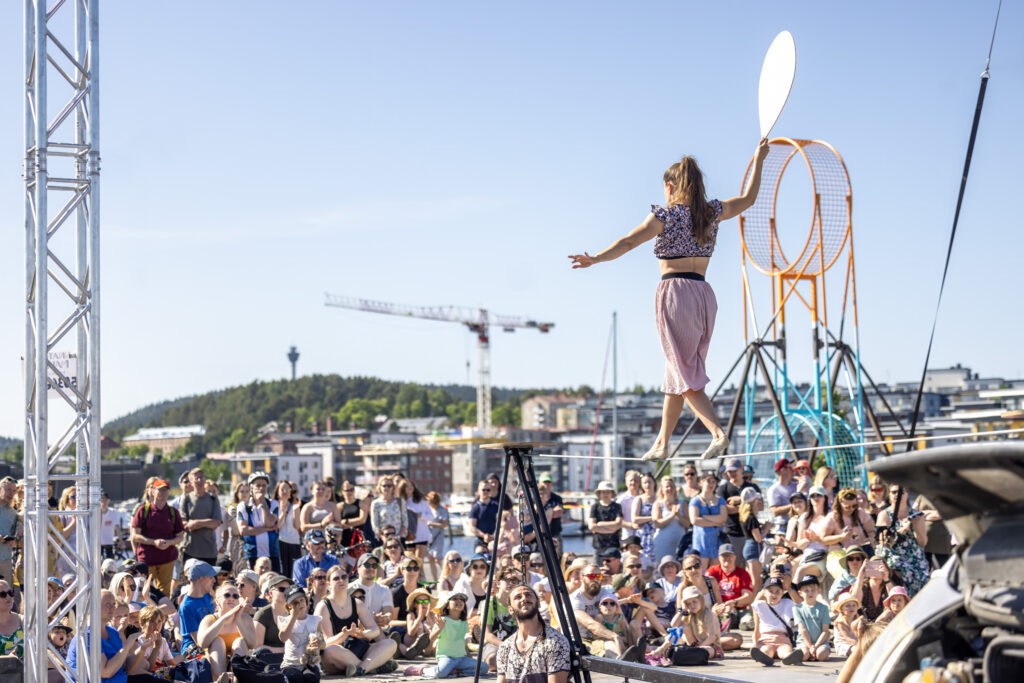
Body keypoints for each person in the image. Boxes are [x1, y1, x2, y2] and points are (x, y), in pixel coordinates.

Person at [569, 139, 770, 463]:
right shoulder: (711, 213)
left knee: (685, 375)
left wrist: (596, 259)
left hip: (676, 295)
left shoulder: (665, 216)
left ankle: (718, 433)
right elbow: (748, 198)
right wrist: (759, 159)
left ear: (670, 185)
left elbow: (628, 242)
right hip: (704, 296)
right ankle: (662, 442)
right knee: (675, 374)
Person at [317, 566, 398, 676]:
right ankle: (372, 667)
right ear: (328, 584)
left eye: (344, 577)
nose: (341, 580)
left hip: (358, 649)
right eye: (336, 578)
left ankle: (361, 669)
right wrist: (344, 634)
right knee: (330, 650)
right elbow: (326, 643)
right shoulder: (323, 606)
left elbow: (375, 630)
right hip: (337, 656)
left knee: (391, 643)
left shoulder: (357, 603)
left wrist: (363, 633)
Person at [496, 584, 571, 683]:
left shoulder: (556, 641)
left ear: (538, 604)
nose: (524, 599)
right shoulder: (505, 647)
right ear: (510, 609)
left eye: (528, 595)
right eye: (518, 597)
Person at [68, 590, 143, 683]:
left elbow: (125, 667)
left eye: (113, 604)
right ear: (94, 606)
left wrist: (143, 648)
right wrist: (127, 645)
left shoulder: (113, 633)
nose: (112, 608)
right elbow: (105, 672)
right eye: (107, 604)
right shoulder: (86, 636)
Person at [403, 592, 476, 679]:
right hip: (447, 657)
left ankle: (455, 671)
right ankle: (423, 670)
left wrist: (470, 657)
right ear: (447, 605)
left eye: (461, 600)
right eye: (455, 599)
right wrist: (439, 629)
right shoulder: (443, 620)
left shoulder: (464, 622)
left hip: (461, 658)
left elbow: (462, 641)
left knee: (483, 668)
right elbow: (431, 638)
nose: (459, 601)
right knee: (440, 673)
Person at [130, 479, 185, 594]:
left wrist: (169, 542)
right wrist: (154, 542)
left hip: (167, 559)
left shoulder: (173, 512)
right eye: (160, 490)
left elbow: (180, 537)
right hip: (147, 559)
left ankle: (163, 612)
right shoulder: (143, 510)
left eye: (165, 490)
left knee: (164, 592)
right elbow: (135, 536)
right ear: (153, 491)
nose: (163, 493)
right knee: (143, 590)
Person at [876, 485, 930, 596]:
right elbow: (884, 542)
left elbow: (922, 542)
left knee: (923, 573)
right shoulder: (884, 515)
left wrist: (916, 526)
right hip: (895, 555)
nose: (897, 495)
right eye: (894, 492)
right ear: (889, 494)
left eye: (901, 492)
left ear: (907, 494)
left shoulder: (915, 513)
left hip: (915, 554)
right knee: (908, 571)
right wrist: (902, 530)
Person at [570, 564, 624, 658]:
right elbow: (590, 624)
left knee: (612, 642)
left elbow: (617, 612)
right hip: (580, 640)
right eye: (591, 576)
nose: (595, 579)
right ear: (582, 578)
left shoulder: (603, 593)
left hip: (600, 637)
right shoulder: (575, 599)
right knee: (610, 644)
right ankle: (623, 666)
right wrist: (615, 636)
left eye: (599, 576)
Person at [749, 577, 803, 666]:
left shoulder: (788, 603)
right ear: (764, 592)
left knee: (785, 650)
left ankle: (789, 657)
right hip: (766, 638)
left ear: (783, 593)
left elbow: (801, 604)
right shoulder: (759, 605)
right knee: (766, 650)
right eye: (770, 591)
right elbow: (756, 628)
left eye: (777, 591)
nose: (774, 594)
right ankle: (765, 658)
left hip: (782, 638)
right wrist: (755, 645)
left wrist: (788, 587)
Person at [277, 585, 324, 681]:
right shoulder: (284, 621)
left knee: (311, 678)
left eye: (301, 600)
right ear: (289, 605)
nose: (299, 604)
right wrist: (294, 616)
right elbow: (283, 637)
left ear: (306, 601)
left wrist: (319, 643)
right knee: (295, 678)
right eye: (295, 602)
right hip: (290, 665)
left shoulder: (315, 619)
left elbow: (323, 643)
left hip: (309, 663)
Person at [237, 471, 281, 573]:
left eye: (264, 486)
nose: (261, 488)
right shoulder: (244, 506)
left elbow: (269, 523)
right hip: (252, 553)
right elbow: (243, 530)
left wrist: (263, 505)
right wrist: (266, 529)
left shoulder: (273, 504)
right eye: (258, 485)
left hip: (272, 553)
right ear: (251, 487)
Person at [480, 568, 522, 672]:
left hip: (515, 642)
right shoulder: (489, 603)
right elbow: (487, 634)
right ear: (498, 583)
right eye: (506, 579)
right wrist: (505, 646)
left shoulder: (519, 603)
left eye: (514, 580)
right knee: (493, 662)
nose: (510, 583)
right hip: (494, 643)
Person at [181, 468, 223, 568]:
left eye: (202, 477)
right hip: (190, 550)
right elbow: (184, 524)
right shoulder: (186, 499)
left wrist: (195, 523)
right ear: (191, 482)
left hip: (209, 551)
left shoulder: (213, 499)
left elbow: (216, 523)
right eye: (197, 478)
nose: (200, 480)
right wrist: (207, 523)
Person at [829, 487, 875, 578]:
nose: (851, 509)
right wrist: (842, 537)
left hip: (863, 550)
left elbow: (872, 531)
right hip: (845, 553)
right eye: (847, 507)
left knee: (874, 574)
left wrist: (869, 540)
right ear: (840, 504)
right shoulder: (833, 517)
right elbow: (824, 538)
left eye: (854, 506)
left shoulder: (860, 513)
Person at [705, 544, 754, 629]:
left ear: (735, 557)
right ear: (719, 557)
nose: (727, 558)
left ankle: (735, 622)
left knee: (748, 622)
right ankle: (726, 622)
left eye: (730, 555)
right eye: (724, 556)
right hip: (718, 608)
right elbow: (704, 590)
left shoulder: (742, 573)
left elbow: (748, 597)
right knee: (723, 619)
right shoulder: (712, 571)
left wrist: (733, 602)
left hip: (738, 609)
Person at [689, 472, 727, 571]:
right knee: (701, 570)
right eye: (708, 481)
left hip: (716, 541)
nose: (711, 484)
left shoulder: (720, 500)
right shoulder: (695, 500)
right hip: (701, 542)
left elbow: (723, 518)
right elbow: (694, 520)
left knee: (715, 571)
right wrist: (716, 522)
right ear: (701, 482)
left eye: (713, 482)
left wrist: (705, 517)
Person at [718, 458, 753, 564]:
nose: (732, 474)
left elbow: (759, 506)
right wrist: (746, 505)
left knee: (750, 567)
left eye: (734, 470)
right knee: (734, 566)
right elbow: (724, 510)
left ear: (741, 469)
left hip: (750, 533)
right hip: (732, 534)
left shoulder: (751, 487)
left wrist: (739, 501)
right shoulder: (722, 489)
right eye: (729, 471)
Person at [676, 585, 723, 660]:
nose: (692, 605)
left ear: (701, 600)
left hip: (711, 647)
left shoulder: (709, 615)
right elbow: (673, 625)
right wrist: (683, 610)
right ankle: (689, 653)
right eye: (688, 603)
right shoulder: (689, 614)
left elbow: (712, 637)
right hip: (695, 645)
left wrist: (698, 648)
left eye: (694, 601)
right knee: (683, 627)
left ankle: (688, 654)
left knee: (705, 650)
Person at [253, 572, 293, 656]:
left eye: (289, 590)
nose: (286, 592)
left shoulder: (294, 613)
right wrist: (283, 650)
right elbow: (257, 647)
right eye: (282, 589)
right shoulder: (262, 614)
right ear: (270, 593)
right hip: (269, 660)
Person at [793, 575, 831, 662]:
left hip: (821, 643)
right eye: (806, 591)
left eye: (813, 590)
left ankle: (816, 654)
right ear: (800, 593)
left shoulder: (824, 608)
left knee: (821, 655)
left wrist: (816, 646)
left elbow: (825, 631)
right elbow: (802, 629)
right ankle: (808, 654)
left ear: (819, 591)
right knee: (804, 656)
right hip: (804, 642)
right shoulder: (797, 608)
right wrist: (810, 646)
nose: (810, 593)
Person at [651, 476, 688, 562]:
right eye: (667, 486)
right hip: (663, 543)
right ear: (662, 489)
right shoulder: (658, 504)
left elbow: (687, 524)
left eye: (671, 486)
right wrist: (672, 515)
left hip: (680, 542)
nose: (669, 488)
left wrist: (678, 515)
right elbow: (657, 524)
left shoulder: (683, 503)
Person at [274, 480, 303, 576]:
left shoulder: (295, 506)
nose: (285, 491)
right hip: (281, 541)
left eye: (288, 489)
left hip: (294, 541)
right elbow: (276, 526)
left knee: (294, 571)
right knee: (284, 571)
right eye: (283, 489)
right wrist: (283, 512)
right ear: (278, 491)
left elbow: (297, 526)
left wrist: (296, 511)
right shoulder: (274, 505)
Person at [739, 487, 765, 592]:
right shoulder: (752, 518)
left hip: (748, 547)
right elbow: (758, 538)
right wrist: (766, 529)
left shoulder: (745, 516)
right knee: (756, 582)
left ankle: (750, 603)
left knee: (751, 581)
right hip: (754, 548)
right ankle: (752, 605)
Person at [630, 473, 658, 564]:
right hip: (644, 535)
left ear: (654, 483)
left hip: (657, 533)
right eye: (645, 483)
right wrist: (652, 518)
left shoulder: (659, 498)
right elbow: (635, 518)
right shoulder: (639, 499)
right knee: (644, 562)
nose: (647, 485)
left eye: (649, 482)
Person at [588, 481, 623, 552]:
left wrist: (600, 524)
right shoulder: (595, 507)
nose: (605, 494)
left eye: (607, 492)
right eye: (603, 492)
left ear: (612, 493)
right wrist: (611, 529)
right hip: (598, 544)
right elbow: (591, 526)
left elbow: (618, 524)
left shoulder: (617, 506)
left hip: (614, 544)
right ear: (599, 494)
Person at [370, 476, 407, 542]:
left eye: (389, 486)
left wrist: (398, 537)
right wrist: (383, 537)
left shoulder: (400, 501)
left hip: (399, 539)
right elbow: (375, 524)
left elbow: (405, 521)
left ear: (393, 488)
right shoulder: (376, 503)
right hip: (383, 540)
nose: (386, 488)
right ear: (380, 487)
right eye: (384, 485)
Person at [767, 458, 798, 534]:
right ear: (782, 470)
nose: (793, 470)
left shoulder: (796, 484)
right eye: (790, 468)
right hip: (783, 527)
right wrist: (796, 505)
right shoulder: (774, 489)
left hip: (798, 524)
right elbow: (775, 511)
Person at [423, 491, 449, 576]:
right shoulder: (428, 509)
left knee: (438, 558)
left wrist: (431, 524)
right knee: (430, 558)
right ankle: (435, 580)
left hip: (438, 536)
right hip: (429, 536)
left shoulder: (442, 510)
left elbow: (444, 524)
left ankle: (447, 576)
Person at [537, 474, 564, 554]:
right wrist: (551, 511)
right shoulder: (535, 498)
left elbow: (559, 513)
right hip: (540, 535)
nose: (547, 484)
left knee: (558, 557)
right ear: (539, 483)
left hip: (555, 533)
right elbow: (533, 513)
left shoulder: (557, 498)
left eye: (549, 482)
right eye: (544, 482)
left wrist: (543, 512)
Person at [467, 480, 499, 548]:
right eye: (483, 490)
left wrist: (493, 535)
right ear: (479, 491)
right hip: (480, 541)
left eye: (488, 490)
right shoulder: (475, 507)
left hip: (495, 540)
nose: (486, 492)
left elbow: (502, 523)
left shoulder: (496, 506)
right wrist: (484, 535)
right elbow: (472, 527)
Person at [98, 489, 124, 561]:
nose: (104, 501)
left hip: (109, 542)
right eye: (102, 499)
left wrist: (120, 540)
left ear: (108, 500)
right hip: (98, 543)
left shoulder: (113, 512)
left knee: (109, 562)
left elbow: (117, 527)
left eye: (105, 499)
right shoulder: (97, 513)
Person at [0, 580, 22, 662]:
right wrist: (6, 660)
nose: (8, 597)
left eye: (10, 592)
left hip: (25, 673)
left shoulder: (23, 621)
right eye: (3, 594)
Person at [616, 470, 641, 542]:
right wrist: (631, 525)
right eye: (631, 480)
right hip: (628, 536)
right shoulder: (621, 500)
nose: (633, 483)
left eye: (635, 480)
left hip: (643, 535)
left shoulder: (643, 497)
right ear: (626, 482)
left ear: (639, 482)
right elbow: (617, 520)